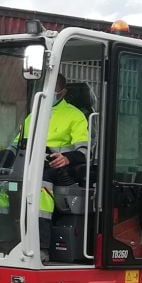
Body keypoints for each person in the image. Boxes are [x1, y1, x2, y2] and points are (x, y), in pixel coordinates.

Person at [25, 73, 89, 258]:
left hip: (59, 168)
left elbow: (84, 150)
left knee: (42, 185)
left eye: (52, 90)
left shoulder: (75, 116)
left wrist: (68, 157)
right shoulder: (34, 115)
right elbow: (17, 144)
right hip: (31, 163)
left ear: (63, 92)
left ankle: (41, 246)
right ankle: (0, 238)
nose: (47, 94)